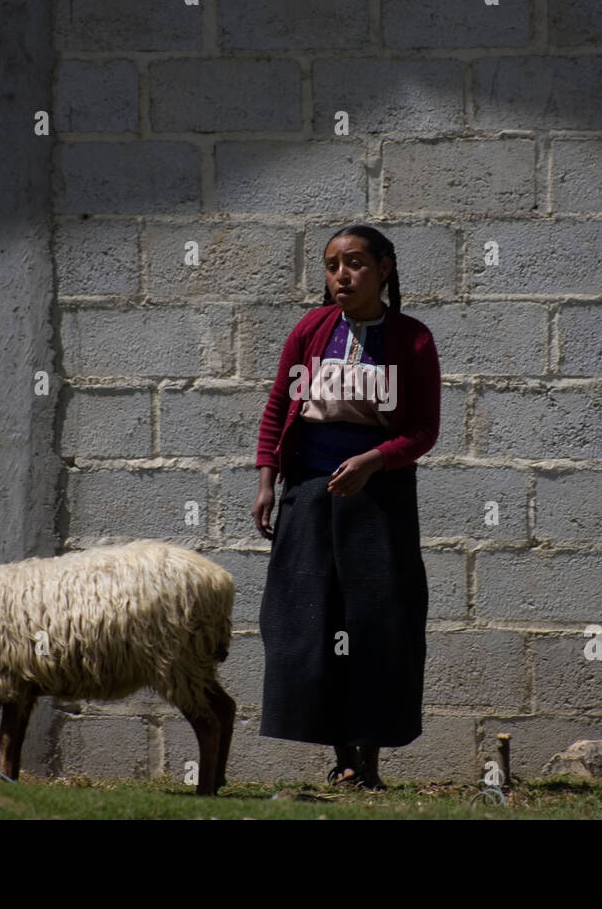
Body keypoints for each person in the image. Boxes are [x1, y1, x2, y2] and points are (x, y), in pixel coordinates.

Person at [251, 223, 441, 789]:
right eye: (332, 265)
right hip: (310, 496)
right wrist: (268, 482)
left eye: (355, 263)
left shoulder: (412, 340)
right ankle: (344, 759)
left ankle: (372, 760)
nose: (342, 275)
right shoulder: (311, 330)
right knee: (313, 623)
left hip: (379, 502)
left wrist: (373, 461)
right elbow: (276, 411)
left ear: (384, 268)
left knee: (379, 626)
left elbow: (423, 430)